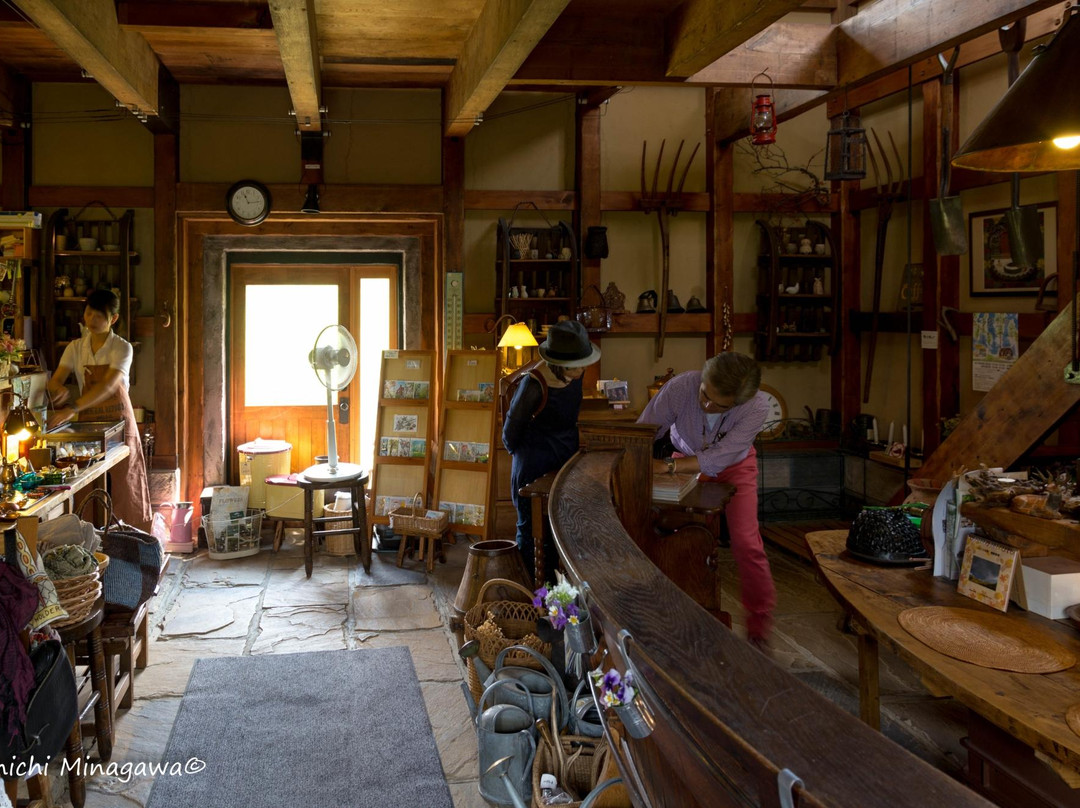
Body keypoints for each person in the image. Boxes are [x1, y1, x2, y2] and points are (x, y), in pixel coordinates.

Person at [638, 351, 776, 645]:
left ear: (737, 403)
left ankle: (759, 625)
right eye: (704, 394)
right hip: (684, 460)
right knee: (668, 534)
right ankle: (669, 612)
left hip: (734, 467)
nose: (707, 405)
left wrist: (668, 466)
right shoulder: (680, 387)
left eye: (719, 405)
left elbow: (720, 457)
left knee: (747, 543)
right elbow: (645, 430)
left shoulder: (757, 406)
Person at [502, 320, 600, 580]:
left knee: (562, 528)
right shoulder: (533, 384)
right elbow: (509, 434)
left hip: (565, 461)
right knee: (532, 533)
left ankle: (559, 594)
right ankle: (533, 593)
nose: (583, 369)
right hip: (533, 467)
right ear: (558, 363)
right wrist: (528, 455)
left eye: (584, 363)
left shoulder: (575, 375)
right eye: (577, 365)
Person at [46, 289, 151, 530]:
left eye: (99, 315)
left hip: (120, 424)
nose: (92, 319)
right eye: (89, 313)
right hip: (89, 426)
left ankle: (133, 539)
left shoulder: (122, 348)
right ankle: (92, 538)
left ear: (113, 319)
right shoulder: (75, 347)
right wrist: (56, 388)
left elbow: (109, 385)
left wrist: (72, 407)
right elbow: (56, 379)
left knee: (127, 483)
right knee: (89, 485)